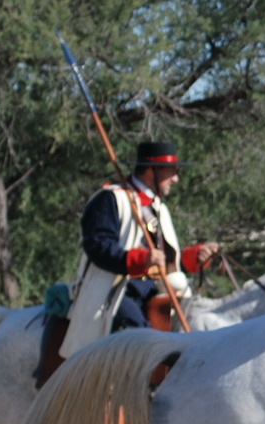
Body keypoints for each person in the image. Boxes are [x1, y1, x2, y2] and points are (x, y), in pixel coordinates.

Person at [57, 140, 222, 362]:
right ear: (151, 170)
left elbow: (168, 261)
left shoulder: (158, 208)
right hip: (119, 289)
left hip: (156, 288)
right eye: (171, 171)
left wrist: (196, 256)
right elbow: (98, 246)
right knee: (135, 334)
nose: (176, 178)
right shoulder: (111, 198)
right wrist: (141, 259)